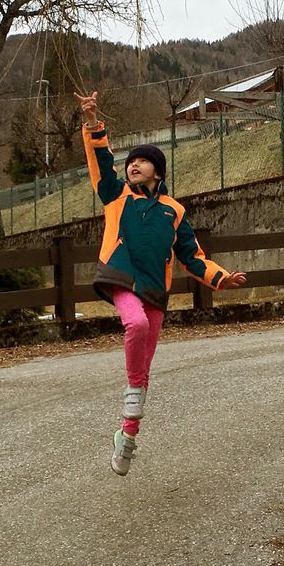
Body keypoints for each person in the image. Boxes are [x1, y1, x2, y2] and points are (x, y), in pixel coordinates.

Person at [75, 90, 246, 476]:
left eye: (142, 162)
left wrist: (220, 277)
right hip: (120, 278)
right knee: (133, 326)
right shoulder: (116, 195)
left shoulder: (174, 211)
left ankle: (126, 437)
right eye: (131, 161)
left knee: (145, 366)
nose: (134, 166)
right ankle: (132, 398)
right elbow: (102, 163)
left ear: (159, 172)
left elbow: (192, 256)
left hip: (155, 289)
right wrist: (92, 124)